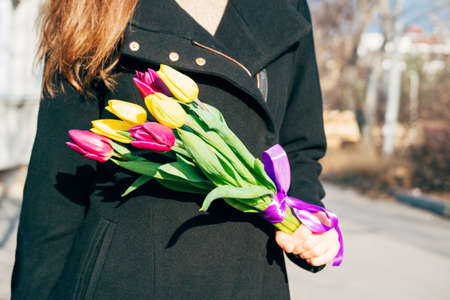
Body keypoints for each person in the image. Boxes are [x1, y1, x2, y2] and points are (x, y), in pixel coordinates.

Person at [11, 0, 340, 299]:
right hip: (123, 279)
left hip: (250, 277)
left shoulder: (286, 6)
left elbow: (299, 149)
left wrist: (311, 225)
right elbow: (55, 192)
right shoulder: (92, 7)